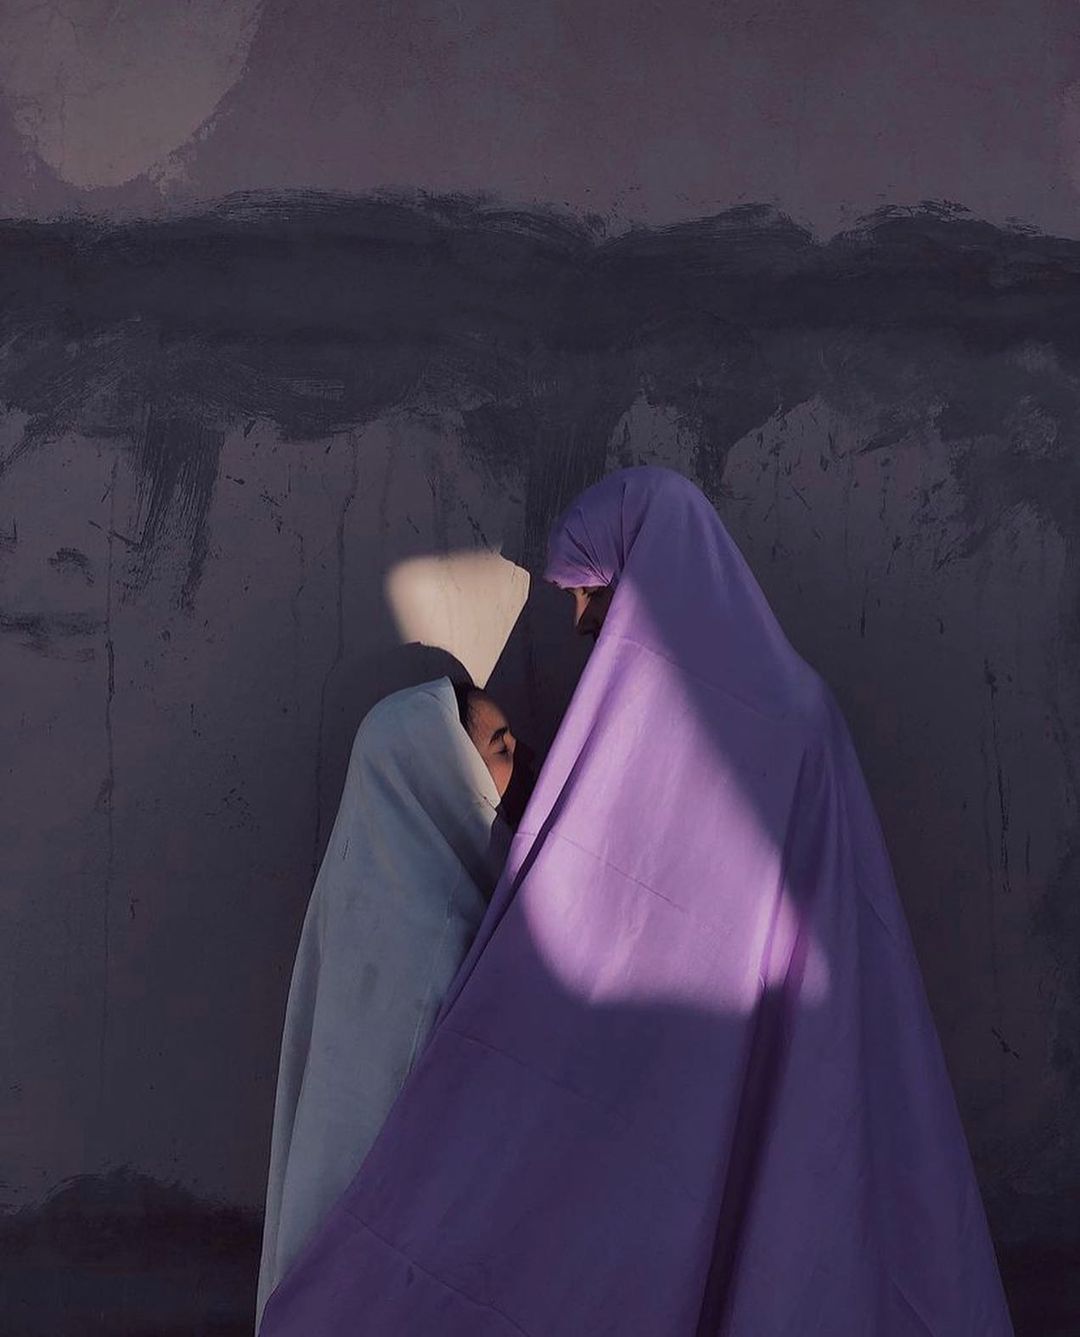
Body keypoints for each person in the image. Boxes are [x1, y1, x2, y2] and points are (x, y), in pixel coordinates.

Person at [259, 468, 1013, 1336]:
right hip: (710, 1056)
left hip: (791, 1035)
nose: (581, 622)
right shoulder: (717, 716)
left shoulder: (774, 722)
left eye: (594, 592)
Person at [255, 677, 516, 1329]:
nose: (525, 765)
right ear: (441, 769)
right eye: (503, 747)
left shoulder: (358, 893)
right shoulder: (437, 926)